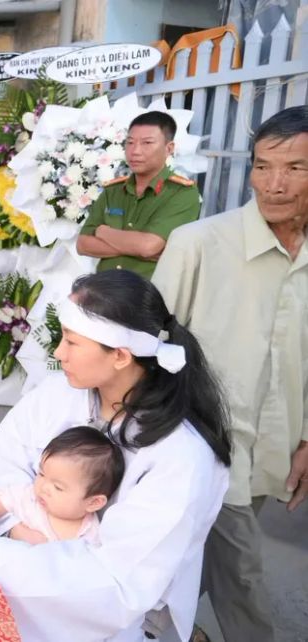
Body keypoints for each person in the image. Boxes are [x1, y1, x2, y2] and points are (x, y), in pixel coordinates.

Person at [0, 270, 231, 641]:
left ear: (119, 355)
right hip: (15, 585)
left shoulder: (181, 456)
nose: (57, 353)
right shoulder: (58, 393)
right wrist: (14, 533)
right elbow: (5, 461)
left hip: (97, 625)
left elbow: (119, 581)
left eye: (71, 341)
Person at [151, 105, 308, 642]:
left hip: (275, 444)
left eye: (295, 168)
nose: (275, 184)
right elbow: (150, 346)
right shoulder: (198, 244)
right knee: (241, 571)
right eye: (263, 166)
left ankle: (142, 622)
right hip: (202, 444)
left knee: (197, 553)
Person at [77, 111, 201, 279]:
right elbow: (83, 245)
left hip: (147, 296)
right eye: (130, 142)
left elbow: (148, 246)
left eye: (147, 143)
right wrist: (138, 248)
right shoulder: (113, 191)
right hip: (104, 291)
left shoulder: (181, 193)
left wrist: (102, 231)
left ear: (169, 148)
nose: (135, 151)